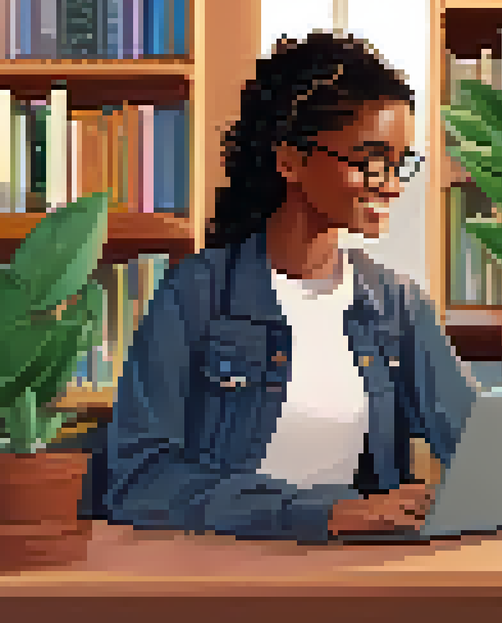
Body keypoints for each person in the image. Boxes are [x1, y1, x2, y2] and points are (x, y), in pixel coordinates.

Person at [102, 32, 477, 542]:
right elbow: (139, 479)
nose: (390, 184)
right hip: (219, 574)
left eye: (400, 163)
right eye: (370, 159)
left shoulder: (396, 304)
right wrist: (320, 514)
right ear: (291, 162)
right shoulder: (198, 294)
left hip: (359, 572)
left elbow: (479, 446)